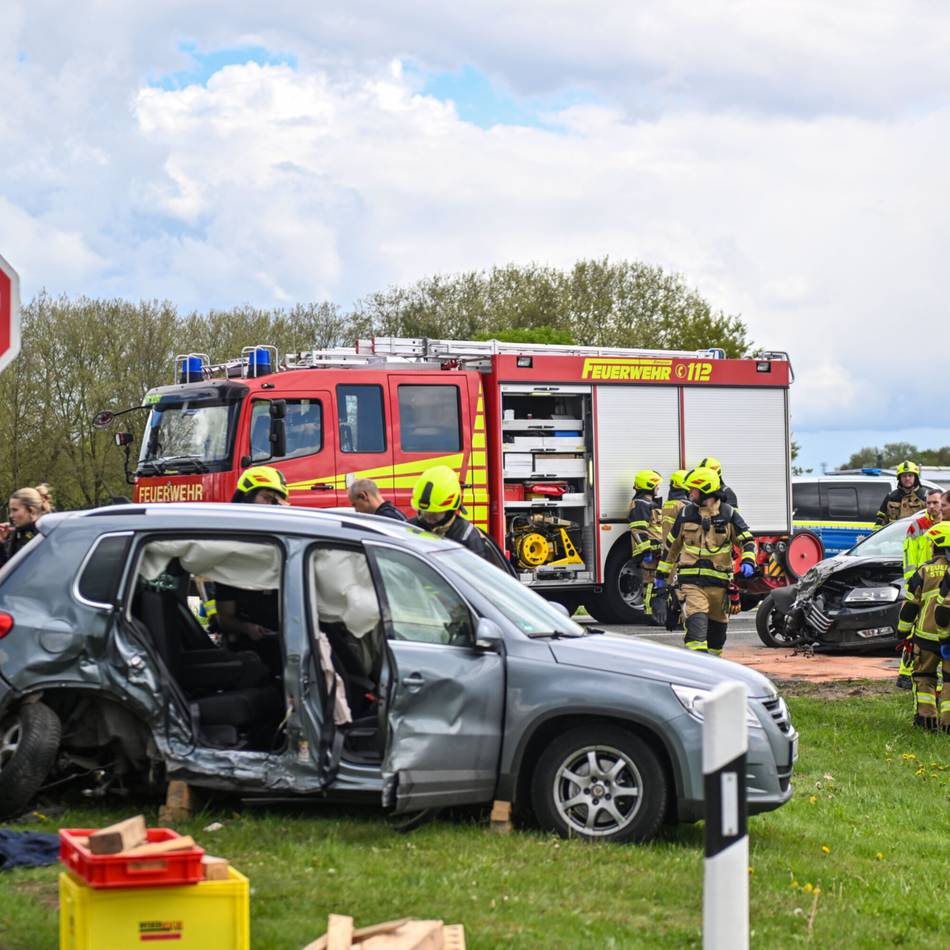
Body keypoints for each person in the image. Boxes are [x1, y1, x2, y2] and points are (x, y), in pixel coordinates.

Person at [655, 467, 756, 655]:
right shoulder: (686, 514)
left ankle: (712, 668)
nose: (689, 493)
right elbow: (671, 547)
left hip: (720, 586)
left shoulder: (728, 514)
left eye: (693, 489)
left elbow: (747, 540)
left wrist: (748, 561)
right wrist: (661, 576)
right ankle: (695, 666)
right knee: (696, 629)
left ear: (706, 490)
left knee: (717, 640)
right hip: (691, 584)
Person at [217, 466, 290, 673]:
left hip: (286, 648)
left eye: (275, 501)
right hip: (249, 656)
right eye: (266, 497)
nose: (271, 505)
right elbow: (224, 618)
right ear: (247, 497)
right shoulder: (233, 553)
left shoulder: (281, 545)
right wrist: (247, 628)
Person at [896, 523, 950, 731]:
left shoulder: (924, 570)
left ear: (936, 545)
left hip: (926, 637)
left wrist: (902, 631)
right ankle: (948, 724)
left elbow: (910, 606)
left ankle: (927, 721)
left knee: (924, 677)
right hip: (949, 637)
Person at [896, 489, 946, 688]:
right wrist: (913, 581)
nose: (932, 506)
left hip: (941, 580)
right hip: (922, 581)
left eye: (936, 503)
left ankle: (937, 674)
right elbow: (909, 557)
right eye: (929, 503)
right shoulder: (918, 526)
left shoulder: (946, 526)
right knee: (914, 629)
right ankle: (905, 673)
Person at [410, 465, 489, 560]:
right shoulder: (407, 529)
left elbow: (476, 568)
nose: (428, 519)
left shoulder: (467, 537)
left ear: (450, 511)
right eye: (424, 513)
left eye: (434, 514)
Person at [627, 470, 664, 614]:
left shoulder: (648, 503)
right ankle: (651, 613)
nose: (658, 488)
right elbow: (638, 530)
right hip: (650, 553)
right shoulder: (640, 504)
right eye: (656, 485)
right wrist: (646, 551)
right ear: (649, 486)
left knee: (656, 582)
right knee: (650, 583)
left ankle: (656, 612)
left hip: (656, 550)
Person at [0, 487, 52, 566]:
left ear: (31, 511)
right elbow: (8, 569)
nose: (11, 515)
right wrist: (3, 541)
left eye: (15, 510)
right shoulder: (18, 534)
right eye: (10, 510)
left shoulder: (45, 537)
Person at [875, 460, 927, 527]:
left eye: (910, 475)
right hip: (894, 533)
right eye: (904, 476)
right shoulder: (891, 497)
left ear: (915, 477)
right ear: (899, 478)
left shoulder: (925, 496)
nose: (907, 478)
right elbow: (881, 519)